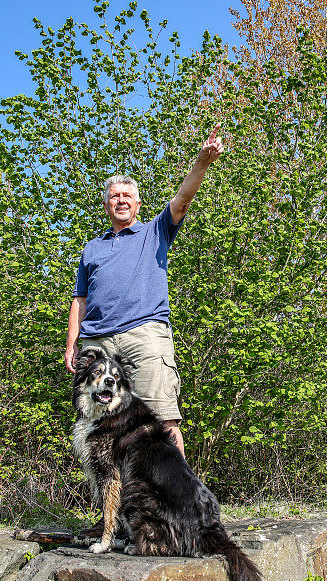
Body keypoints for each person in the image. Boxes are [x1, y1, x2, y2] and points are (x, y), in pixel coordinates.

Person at [65, 125, 224, 457]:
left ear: (137, 204)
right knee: (100, 428)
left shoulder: (156, 231)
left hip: (145, 336)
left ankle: (180, 503)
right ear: (106, 205)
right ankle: (122, 506)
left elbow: (183, 199)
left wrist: (202, 162)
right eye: (114, 197)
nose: (121, 201)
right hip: (97, 342)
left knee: (163, 422)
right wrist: (71, 346)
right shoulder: (92, 249)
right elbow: (79, 299)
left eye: (127, 196)